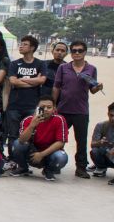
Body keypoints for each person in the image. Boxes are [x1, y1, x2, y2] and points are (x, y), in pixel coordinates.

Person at [53, 40, 103, 179]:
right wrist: (53, 105)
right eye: (74, 50)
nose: (77, 53)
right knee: (57, 138)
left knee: (81, 141)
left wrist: (98, 88)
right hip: (63, 109)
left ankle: (81, 168)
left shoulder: (91, 69)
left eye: (80, 50)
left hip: (81, 110)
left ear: (85, 52)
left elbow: (92, 89)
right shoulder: (63, 68)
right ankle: (53, 164)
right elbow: (56, 87)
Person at [5, 36, 47, 154]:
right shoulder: (14, 64)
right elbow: (13, 81)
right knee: (13, 134)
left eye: (24, 44)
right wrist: (34, 82)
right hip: (14, 105)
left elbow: (42, 80)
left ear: (32, 48)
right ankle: (12, 159)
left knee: (31, 133)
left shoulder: (40, 64)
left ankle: (26, 159)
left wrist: (22, 80)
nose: (21, 46)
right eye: (21, 44)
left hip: (32, 105)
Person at [11, 94, 69, 180]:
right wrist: (32, 125)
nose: (45, 109)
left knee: (61, 157)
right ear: (37, 108)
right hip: (31, 152)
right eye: (42, 107)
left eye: (49, 107)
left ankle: (48, 170)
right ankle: (23, 168)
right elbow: (22, 141)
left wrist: (41, 154)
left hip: (49, 153)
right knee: (16, 144)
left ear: (54, 109)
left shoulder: (59, 119)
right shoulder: (28, 120)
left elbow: (60, 142)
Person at [89, 102, 114, 180]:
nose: (113, 118)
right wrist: (99, 142)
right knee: (94, 151)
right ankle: (101, 167)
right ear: (108, 114)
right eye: (111, 115)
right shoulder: (101, 125)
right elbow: (92, 144)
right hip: (106, 154)